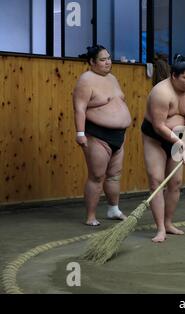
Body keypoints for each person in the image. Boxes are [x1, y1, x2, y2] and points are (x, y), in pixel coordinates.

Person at [141, 54, 185, 242]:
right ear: (173, 75)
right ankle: (160, 229)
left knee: (175, 183)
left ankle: (168, 223)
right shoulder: (161, 92)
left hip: (180, 137)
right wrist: (179, 142)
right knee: (156, 181)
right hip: (155, 138)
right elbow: (159, 125)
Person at [73, 45, 131, 226]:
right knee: (96, 176)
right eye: (103, 59)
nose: (108, 62)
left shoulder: (112, 78)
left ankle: (113, 209)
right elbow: (79, 108)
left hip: (118, 135)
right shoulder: (86, 80)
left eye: (109, 58)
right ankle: (91, 216)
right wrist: (80, 133)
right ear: (92, 62)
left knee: (114, 175)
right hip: (97, 135)